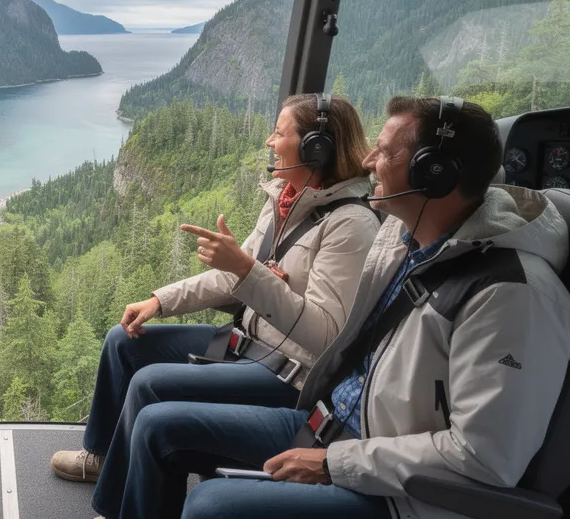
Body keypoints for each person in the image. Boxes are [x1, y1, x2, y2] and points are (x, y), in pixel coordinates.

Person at [112, 96, 570, 519]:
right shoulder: (403, 242)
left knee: (210, 506)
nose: (369, 160)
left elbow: (486, 457)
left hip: (403, 495)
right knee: (158, 426)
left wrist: (335, 462)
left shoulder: (512, 296)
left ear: (432, 172)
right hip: (333, 426)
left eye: (385, 151)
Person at [57, 94, 380, 496]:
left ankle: (117, 492)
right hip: (249, 342)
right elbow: (234, 278)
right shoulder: (285, 199)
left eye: (279, 133)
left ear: (317, 147)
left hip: (291, 374)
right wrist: (161, 301)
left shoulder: (351, 225)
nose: (269, 142)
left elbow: (327, 337)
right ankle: (104, 456)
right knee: (122, 341)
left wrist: (249, 271)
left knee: (149, 384)